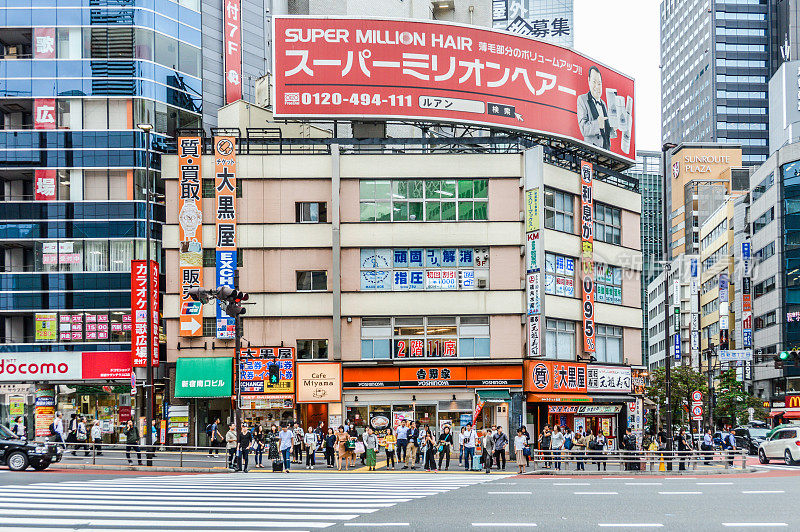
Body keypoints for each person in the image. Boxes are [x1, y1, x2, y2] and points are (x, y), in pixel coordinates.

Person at [576, 65, 616, 150]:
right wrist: (598, 124)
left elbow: (607, 133)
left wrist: (613, 127)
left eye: (599, 83)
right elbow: (583, 129)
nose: (597, 86)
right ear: (589, 81)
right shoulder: (582, 99)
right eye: (594, 82)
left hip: (607, 151)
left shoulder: (604, 104)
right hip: (591, 152)